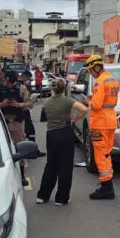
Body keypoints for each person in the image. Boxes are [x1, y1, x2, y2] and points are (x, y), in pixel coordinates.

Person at [36, 78, 88, 206]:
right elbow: (84, 109)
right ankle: (61, 198)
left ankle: (42, 196)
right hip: (65, 133)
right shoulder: (67, 101)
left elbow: (44, 119)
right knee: (65, 166)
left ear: (52, 89)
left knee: (51, 164)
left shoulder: (47, 103)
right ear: (64, 89)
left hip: (51, 134)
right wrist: (74, 119)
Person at [83, 55, 119, 200]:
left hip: (100, 123)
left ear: (96, 67)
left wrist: (89, 101)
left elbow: (97, 105)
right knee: (106, 153)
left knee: (100, 155)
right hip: (110, 121)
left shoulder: (100, 82)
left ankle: (106, 188)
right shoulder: (113, 80)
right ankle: (107, 184)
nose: (91, 73)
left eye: (91, 70)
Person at [0, 71, 33, 186]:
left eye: (10, 83)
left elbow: (30, 103)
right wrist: (1, 105)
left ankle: (22, 175)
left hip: (16, 122)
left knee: (20, 148)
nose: (8, 84)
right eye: (6, 82)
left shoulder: (21, 89)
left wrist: (18, 105)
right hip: (2, 121)